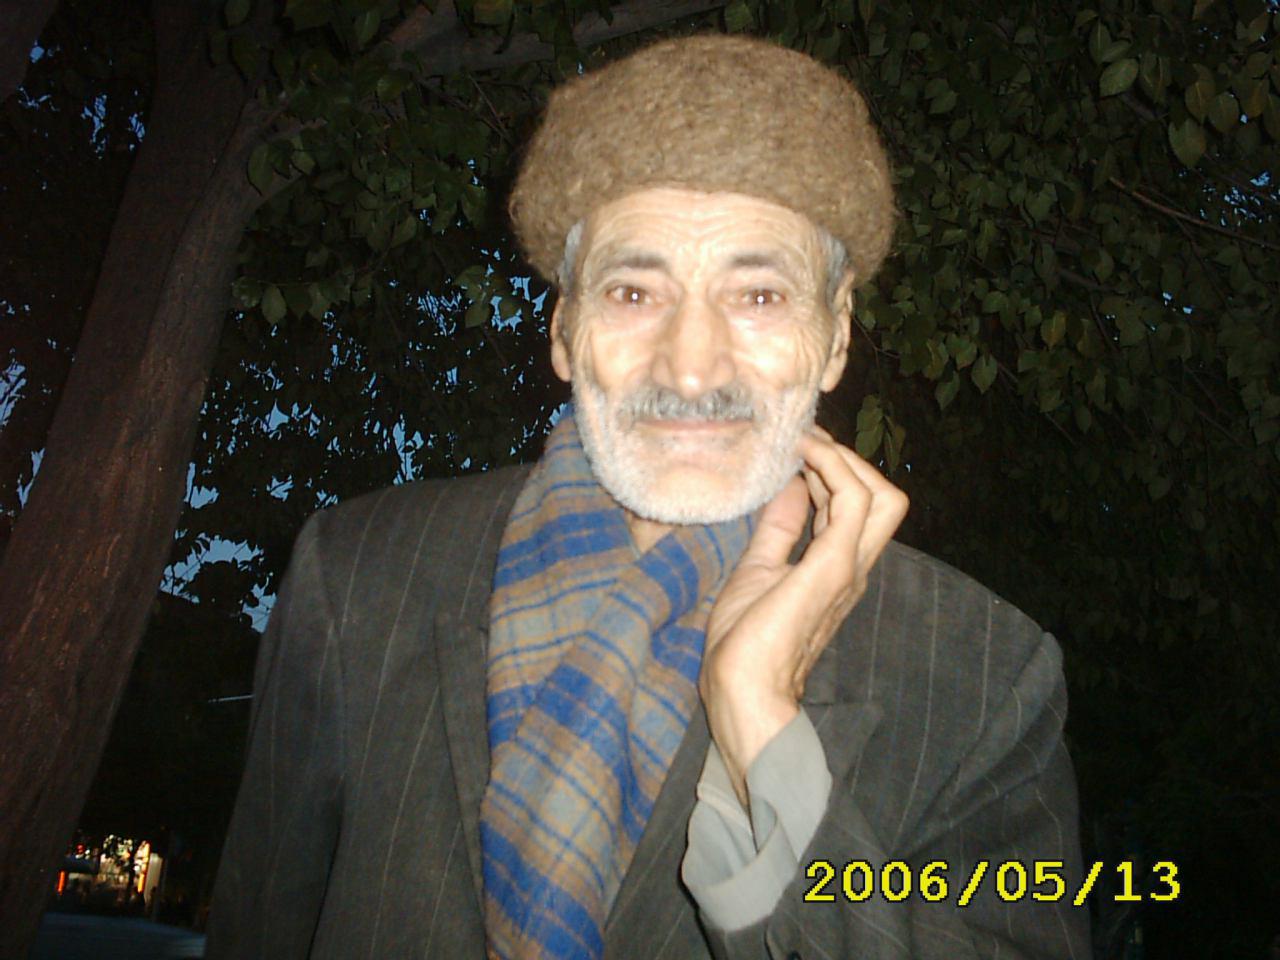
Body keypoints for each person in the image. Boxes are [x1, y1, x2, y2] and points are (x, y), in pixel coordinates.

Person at [205, 33, 1090, 960]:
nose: (691, 367)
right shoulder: (357, 574)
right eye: (633, 293)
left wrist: (764, 737)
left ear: (834, 339)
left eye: (759, 297)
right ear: (564, 331)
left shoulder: (985, 674)